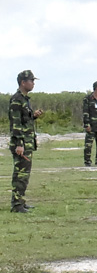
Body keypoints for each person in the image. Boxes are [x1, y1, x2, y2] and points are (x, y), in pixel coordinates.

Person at [9, 70, 44, 213]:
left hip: (27, 142)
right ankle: (17, 205)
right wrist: (19, 144)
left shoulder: (25, 99)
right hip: (21, 144)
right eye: (31, 81)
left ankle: (20, 201)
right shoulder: (17, 99)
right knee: (21, 175)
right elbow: (16, 123)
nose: (33, 83)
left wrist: (33, 116)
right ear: (23, 82)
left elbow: (24, 121)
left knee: (24, 174)